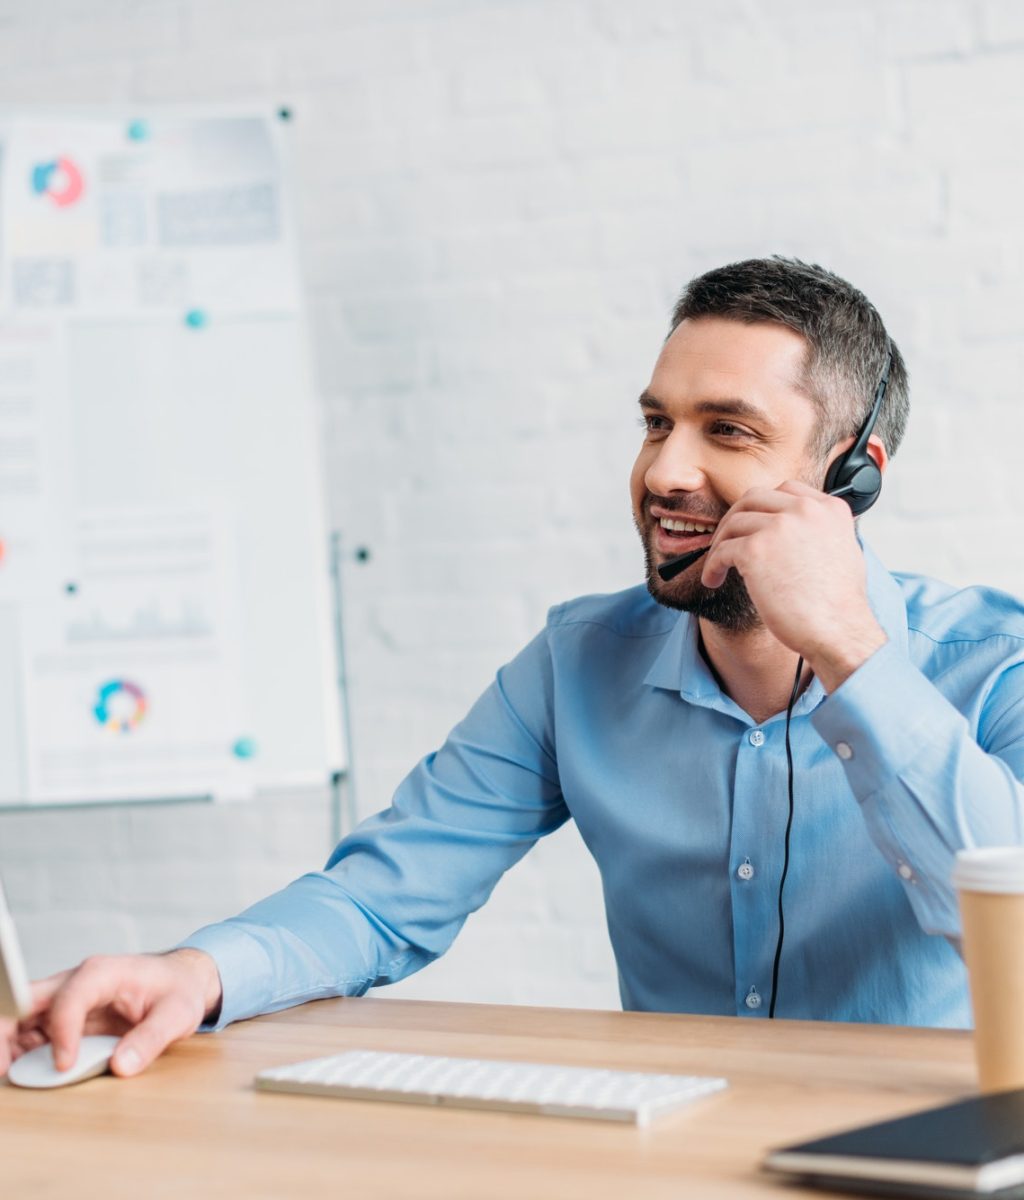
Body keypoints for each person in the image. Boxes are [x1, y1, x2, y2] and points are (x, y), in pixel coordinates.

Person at [5, 257, 1024, 1081]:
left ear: (852, 476)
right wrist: (194, 972)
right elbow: (380, 900)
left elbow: (1009, 918)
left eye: (728, 431)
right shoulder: (577, 664)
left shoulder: (990, 665)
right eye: (655, 423)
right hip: (672, 1155)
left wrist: (850, 651)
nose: (665, 470)